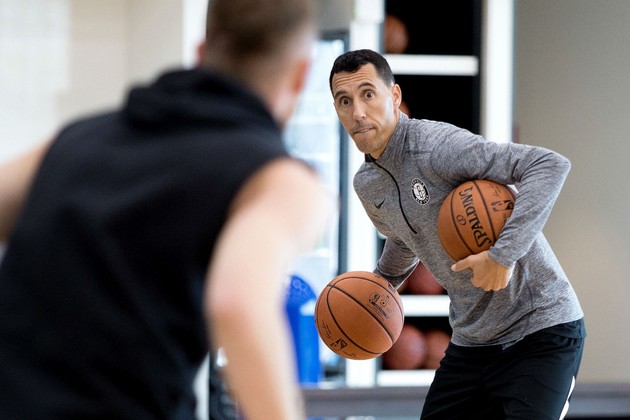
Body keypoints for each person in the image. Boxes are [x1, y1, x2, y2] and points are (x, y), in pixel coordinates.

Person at [0, 0, 334, 419]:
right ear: (301, 74)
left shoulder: (76, 140)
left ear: (201, 54)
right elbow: (238, 305)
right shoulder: (279, 179)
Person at [329, 48, 586, 419]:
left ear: (395, 96)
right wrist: (381, 285)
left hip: (540, 330)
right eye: (344, 101)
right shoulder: (368, 184)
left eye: (368, 94)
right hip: (473, 342)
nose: (358, 112)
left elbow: (548, 165)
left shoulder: (436, 147)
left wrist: (502, 257)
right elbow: (405, 235)